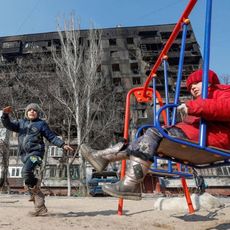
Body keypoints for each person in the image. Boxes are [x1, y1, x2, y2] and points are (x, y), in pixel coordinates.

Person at [80, 69, 230, 200]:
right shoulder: (200, 103)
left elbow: (225, 108)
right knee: (144, 141)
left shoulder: (222, 92)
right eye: (190, 87)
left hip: (215, 140)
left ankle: (127, 182)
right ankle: (104, 158)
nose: (193, 89)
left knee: (154, 133)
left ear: (209, 81)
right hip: (197, 137)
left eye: (196, 83)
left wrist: (193, 106)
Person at [1, 103, 74, 216]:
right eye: (29, 110)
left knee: (25, 171)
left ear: (37, 113)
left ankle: (36, 192)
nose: (32, 111)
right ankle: (39, 205)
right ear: (26, 112)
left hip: (37, 154)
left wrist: (62, 145)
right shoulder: (21, 123)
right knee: (26, 176)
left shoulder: (41, 124)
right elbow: (8, 125)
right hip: (24, 155)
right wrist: (5, 115)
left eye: (34, 110)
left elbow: (51, 137)